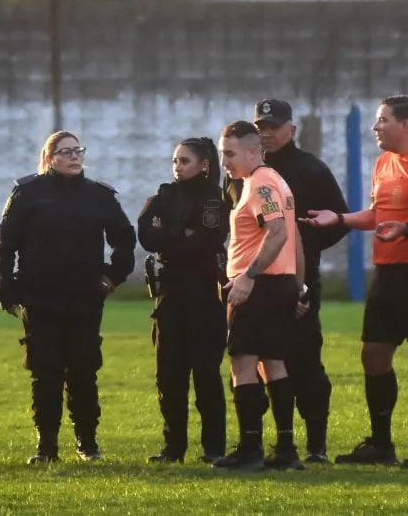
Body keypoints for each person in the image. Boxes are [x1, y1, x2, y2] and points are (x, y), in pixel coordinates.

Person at [304, 96, 408, 466]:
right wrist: (337, 219)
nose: (375, 127)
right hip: (386, 275)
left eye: (382, 120)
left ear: (405, 124)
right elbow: (378, 214)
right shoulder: (384, 163)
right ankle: (381, 445)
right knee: (373, 355)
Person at [0, 131, 137, 464]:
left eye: (78, 150)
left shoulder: (98, 196)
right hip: (40, 300)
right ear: (48, 158)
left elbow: (124, 240)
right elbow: (6, 245)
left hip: (85, 299)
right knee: (46, 373)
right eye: (65, 152)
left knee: (84, 371)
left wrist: (111, 278)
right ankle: (46, 447)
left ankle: (88, 443)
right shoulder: (28, 193)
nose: (75, 157)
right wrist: (7, 290)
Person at [254, 99, 348, 463]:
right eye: (261, 126)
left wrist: (306, 247)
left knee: (304, 359)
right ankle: (274, 442)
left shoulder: (310, 169)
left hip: (298, 280)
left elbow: (338, 220)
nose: (267, 133)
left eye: (274, 126)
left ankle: (316, 445)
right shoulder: (247, 171)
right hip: (258, 279)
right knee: (262, 361)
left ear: (291, 129)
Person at [214, 121, 305, 471]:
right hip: (279, 283)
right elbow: (292, 235)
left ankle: (250, 448)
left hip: (260, 285)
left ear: (253, 151)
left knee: (243, 362)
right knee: (274, 363)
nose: (225, 160)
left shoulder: (261, 183)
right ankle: (285, 449)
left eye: (230, 153)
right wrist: (297, 285)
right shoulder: (277, 181)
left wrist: (248, 277)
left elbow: (278, 232)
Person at [137, 137, 227, 464]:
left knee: (205, 374)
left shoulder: (214, 198)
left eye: (185, 161)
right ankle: (173, 447)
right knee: (169, 375)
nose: (177, 167)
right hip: (171, 294)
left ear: (204, 164)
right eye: (175, 160)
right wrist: (182, 233)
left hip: (204, 294)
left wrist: (168, 233)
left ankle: (214, 449)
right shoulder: (165, 195)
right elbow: (146, 233)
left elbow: (205, 242)